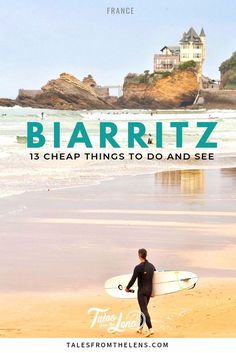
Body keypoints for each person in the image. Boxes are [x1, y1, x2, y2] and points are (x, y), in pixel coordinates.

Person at [125, 248, 156, 337]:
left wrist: (127, 288)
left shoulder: (138, 267)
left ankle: (150, 329)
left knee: (144, 310)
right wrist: (153, 292)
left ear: (139, 255)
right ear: (146, 255)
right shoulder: (152, 266)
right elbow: (155, 279)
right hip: (149, 291)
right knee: (143, 309)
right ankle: (140, 328)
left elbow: (133, 280)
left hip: (142, 292)